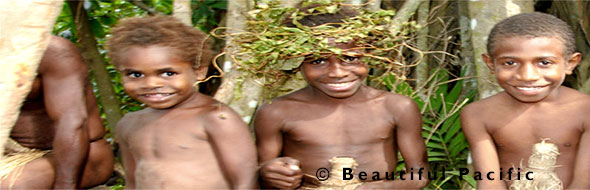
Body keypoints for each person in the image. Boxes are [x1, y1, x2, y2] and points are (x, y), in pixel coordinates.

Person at [254, 5, 429, 189]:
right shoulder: (276, 111)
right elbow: (259, 174)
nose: (337, 73)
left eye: (350, 58)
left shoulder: (397, 106)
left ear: (367, 54)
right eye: (318, 61)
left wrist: (375, 188)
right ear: (297, 62)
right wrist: (268, 174)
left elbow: (419, 175)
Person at [461, 12, 590, 189]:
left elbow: (586, 183)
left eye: (544, 63)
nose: (527, 76)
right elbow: (489, 181)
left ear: (570, 63)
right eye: (510, 63)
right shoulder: (477, 114)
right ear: (490, 64)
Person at [108, 15, 257, 189]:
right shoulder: (129, 124)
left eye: (168, 73)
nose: (151, 84)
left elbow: (246, 182)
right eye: (136, 75)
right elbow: (132, 182)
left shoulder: (216, 118)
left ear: (199, 72)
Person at [0, 36, 114, 189]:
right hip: (13, 154)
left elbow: (71, 123)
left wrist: (65, 185)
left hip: (84, 157)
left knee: (12, 186)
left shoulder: (50, 50)